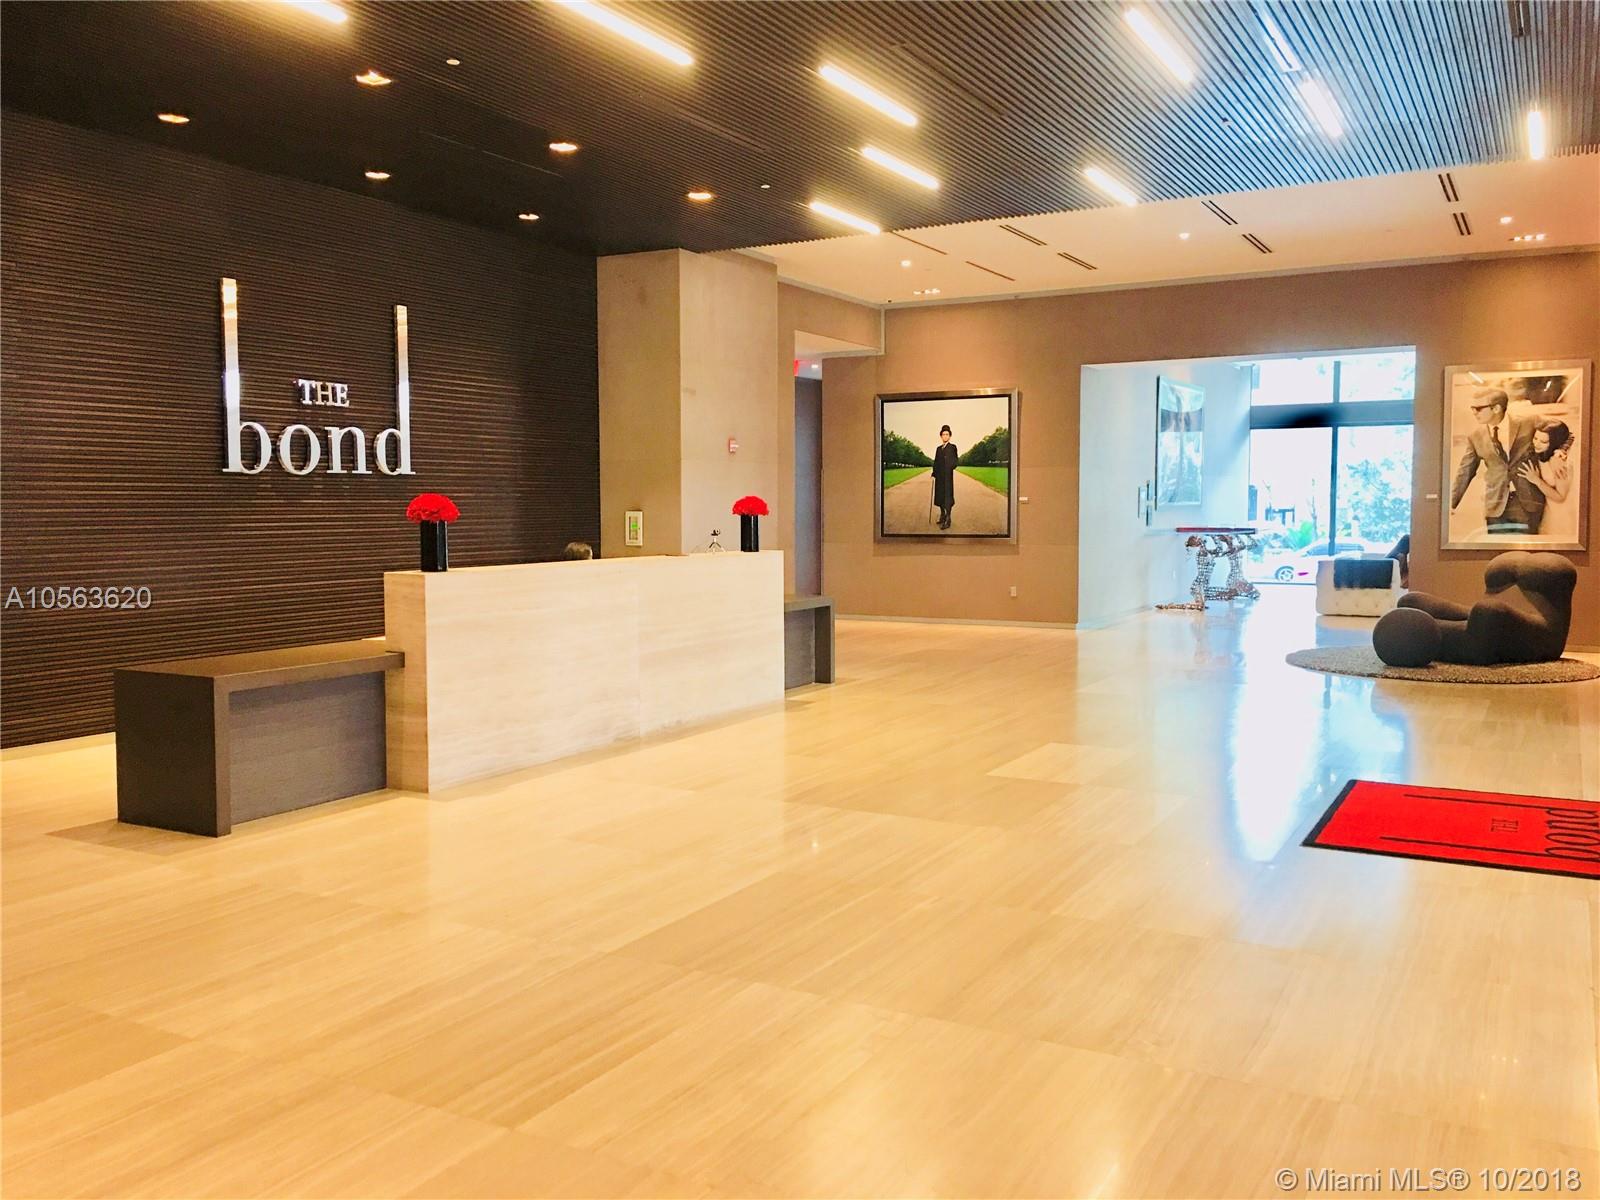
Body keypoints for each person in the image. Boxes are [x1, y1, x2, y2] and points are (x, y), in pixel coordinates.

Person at [1449, 388, 1552, 536]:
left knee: (1525, 550)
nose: (1474, 413)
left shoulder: (1529, 422)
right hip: (1495, 505)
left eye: (1478, 408)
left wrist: (1561, 451)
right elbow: (1465, 471)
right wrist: (1451, 503)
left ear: (1496, 408)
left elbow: (1562, 431)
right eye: (1472, 408)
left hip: (1527, 502)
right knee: (1497, 549)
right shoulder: (1475, 437)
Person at [1516, 421, 1573, 526]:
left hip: (1558, 512)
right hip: (1546, 508)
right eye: (1535, 438)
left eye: (1543, 442)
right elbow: (1570, 435)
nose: (1536, 444)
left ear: (1555, 443)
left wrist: (1536, 480)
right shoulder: (1544, 454)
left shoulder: (1560, 463)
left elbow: (1560, 497)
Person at [931, 424, 958, 531]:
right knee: (940, 497)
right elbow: (936, 462)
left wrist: (949, 467)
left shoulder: (953, 447)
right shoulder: (938, 449)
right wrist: (934, 473)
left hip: (947, 478)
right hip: (939, 478)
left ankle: (948, 518)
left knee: (948, 498)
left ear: (950, 436)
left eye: (947, 434)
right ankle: (942, 515)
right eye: (943, 434)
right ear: (941, 436)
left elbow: (955, 461)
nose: (945, 436)